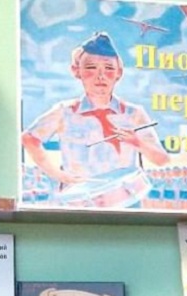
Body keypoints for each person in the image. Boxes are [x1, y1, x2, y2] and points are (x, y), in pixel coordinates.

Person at [21, 31, 169, 196]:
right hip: (81, 200)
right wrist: (58, 175)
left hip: (125, 197)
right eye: (91, 67)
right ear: (76, 71)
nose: (100, 76)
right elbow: (29, 138)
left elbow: (162, 160)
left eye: (109, 68)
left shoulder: (134, 113)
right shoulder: (65, 112)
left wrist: (136, 142)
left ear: (119, 73)